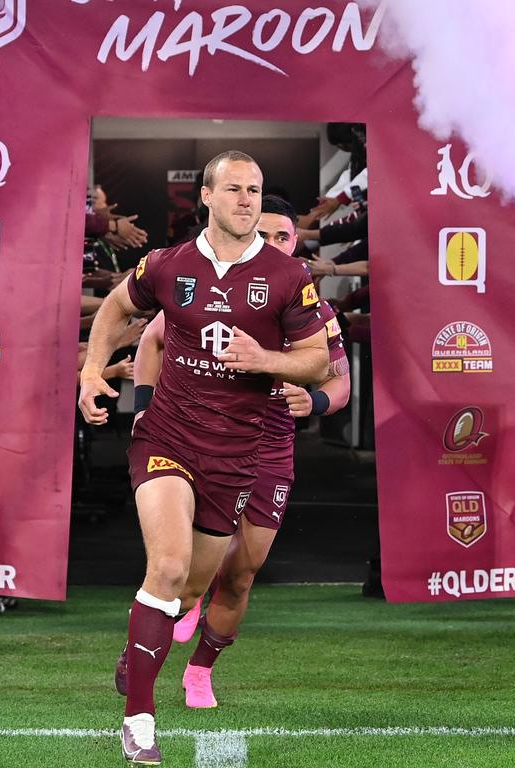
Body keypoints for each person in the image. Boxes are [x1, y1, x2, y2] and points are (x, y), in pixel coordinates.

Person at [78, 151, 329, 765]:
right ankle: (139, 720)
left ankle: (144, 642)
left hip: (237, 455)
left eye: (256, 190)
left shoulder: (288, 276)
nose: (247, 200)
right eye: (236, 189)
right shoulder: (168, 265)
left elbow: (317, 360)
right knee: (166, 569)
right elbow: (118, 308)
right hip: (169, 436)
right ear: (208, 198)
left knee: (190, 589)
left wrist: (267, 361)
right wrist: (90, 370)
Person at [126, 195, 350, 710]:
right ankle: (145, 646)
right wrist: (142, 408)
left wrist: (314, 400)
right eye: (264, 235)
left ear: (297, 244)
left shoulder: (310, 301)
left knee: (244, 571)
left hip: (269, 443)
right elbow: (150, 341)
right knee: (177, 578)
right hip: (201, 434)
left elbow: (341, 384)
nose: (272, 245)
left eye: (283, 237)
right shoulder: (213, 285)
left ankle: (201, 669)